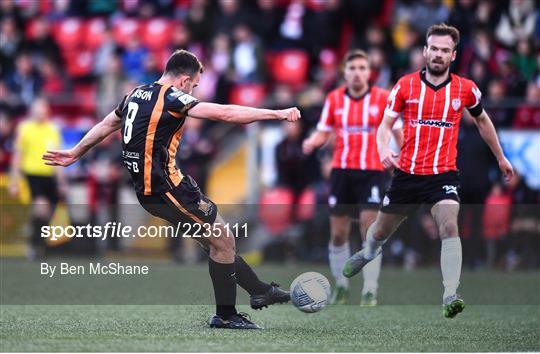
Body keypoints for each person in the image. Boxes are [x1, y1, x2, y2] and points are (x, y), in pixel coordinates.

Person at [43, 49, 300, 330]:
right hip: (165, 189)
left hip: (156, 189)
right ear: (184, 80)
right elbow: (224, 113)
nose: (194, 90)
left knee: (215, 240)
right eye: (195, 85)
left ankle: (259, 290)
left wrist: (76, 152)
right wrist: (276, 113)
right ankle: (228, 314)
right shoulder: (172, 96)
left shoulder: (135, 94)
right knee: (223, 240)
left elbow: (108, 123)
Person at [342, 24, 514, 318]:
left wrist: (500, 157)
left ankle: (450, 293)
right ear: (424, 51)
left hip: (443, 175)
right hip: (407, 175)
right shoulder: (405, 86)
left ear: (453, 55)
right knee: (380, 232)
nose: (438, 54)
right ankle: (369, 250)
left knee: (448, 224)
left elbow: (483, 121)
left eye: (444, 50)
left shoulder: (465, 89)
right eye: (433, 49)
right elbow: (384, 125)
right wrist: (383, 150)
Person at [302, 50, 402, 305]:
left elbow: (397, 130)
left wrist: (402, 156)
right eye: (352, 68)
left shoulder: (383, 99)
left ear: (369, 73)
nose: (357, 73)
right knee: (338, 234)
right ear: (344, 72)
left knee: (369, 229)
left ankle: (370, 288)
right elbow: (324, 131)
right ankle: (342, 286)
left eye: (361, 68)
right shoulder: (335, 99)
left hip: (372, 171)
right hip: (341, 172)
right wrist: (311, 142)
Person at [9, 97, 66, 259]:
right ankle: (35, 243)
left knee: (49, 212)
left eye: (43, 108)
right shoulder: (24, 128)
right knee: (41, 206)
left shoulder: (53, 129)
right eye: (37, 108)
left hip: (49, 175)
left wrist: (62, 181)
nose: (40, 111)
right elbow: (18, 155)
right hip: (32, 173)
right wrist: (14, 180)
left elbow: (58, 155)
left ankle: (37, 240)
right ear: (32, 110)